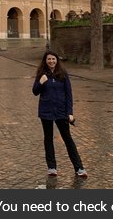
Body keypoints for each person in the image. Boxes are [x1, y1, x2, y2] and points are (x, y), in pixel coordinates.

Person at [32, 50, 87, 178]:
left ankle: (79, 168)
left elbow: (69, 94)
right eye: (49, 59)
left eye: (53, 59)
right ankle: (51, 167)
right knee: (48, 139)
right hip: (46, 111)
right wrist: (41, 82)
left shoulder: (63, 74)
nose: (51, 61)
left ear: (57, 60)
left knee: (68, 139)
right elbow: (35, 91)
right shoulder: (41, 74)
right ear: (45, 61)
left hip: (61, 111)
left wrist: (70, 112)